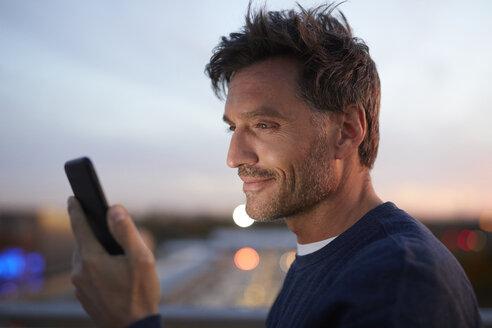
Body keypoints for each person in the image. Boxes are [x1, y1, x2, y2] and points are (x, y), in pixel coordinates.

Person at [68, 3, 483, 328]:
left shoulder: (398, 287)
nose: (235, 157)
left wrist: (135, 320)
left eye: (264, 125)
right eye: (233, 128)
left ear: (345, 131)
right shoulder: (325, 257)